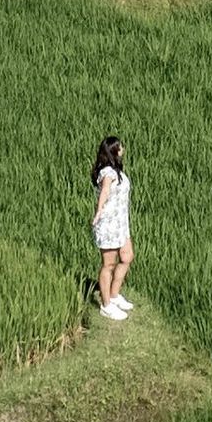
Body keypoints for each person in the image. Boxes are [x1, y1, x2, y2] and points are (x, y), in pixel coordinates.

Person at [92, 136, 134, 322]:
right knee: (108, 265)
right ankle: (106, 304)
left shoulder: (117, 170)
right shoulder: (107, 172)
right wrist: (98, 212)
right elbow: (106, 191)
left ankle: (115, 294)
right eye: (120, 147)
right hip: (109, 224)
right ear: (114, 150)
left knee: (127, 257)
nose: (123, 149)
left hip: (121, 223)